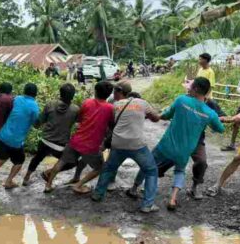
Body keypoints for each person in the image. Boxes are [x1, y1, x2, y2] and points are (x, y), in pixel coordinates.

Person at [130, 77, 224, 211]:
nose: (188, 89)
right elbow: (220, 129)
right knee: (179, 171)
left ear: (196, 89)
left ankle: (134, 188)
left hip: (166, 146)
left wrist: (155, 115)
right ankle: (173, 199)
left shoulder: (181, 100)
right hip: (185, 150)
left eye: (190, 87)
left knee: (148, 164)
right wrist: (213, 119)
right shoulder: (210, 113)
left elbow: (167, 115)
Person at [92, 81, 161, 212]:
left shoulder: (116, 105)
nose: (114, 94)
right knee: (151, 170)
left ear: (119, 92)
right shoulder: (142, 103)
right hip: (137, 145)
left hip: (118, 143)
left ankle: (98, 194)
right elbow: (156, 118)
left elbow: (113, 124)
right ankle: (147, 205)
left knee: (108, 168)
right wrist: (143, 116)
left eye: (115, 92)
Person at [44, 81, 114, 194]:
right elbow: (111, 125)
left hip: (76, 140)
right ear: (109, 94)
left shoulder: (87, 102)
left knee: (62, 161)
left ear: (95, 91)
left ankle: (48, 185)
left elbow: (80, 119)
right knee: (100, 168)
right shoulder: (110, 108)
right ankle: (78, 185)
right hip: (92, 145)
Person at [0, 83, 40, 189]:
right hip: (15, 139)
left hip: (3, 133)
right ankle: (5, 180)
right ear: (35, 94)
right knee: (19, 161)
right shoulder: (34, 107)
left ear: (24, 91)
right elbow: (36, 124)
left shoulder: (17, 99)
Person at [23, 83, 79, 186]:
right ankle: (48, 173)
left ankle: (26, 178)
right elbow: (79, 124)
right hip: (60, 146)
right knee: (72, 162)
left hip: (45, 141)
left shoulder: (50, 104)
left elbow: (38, 123)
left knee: (37, 158)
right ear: (73, 95)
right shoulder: (75, 109)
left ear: (60, 93)